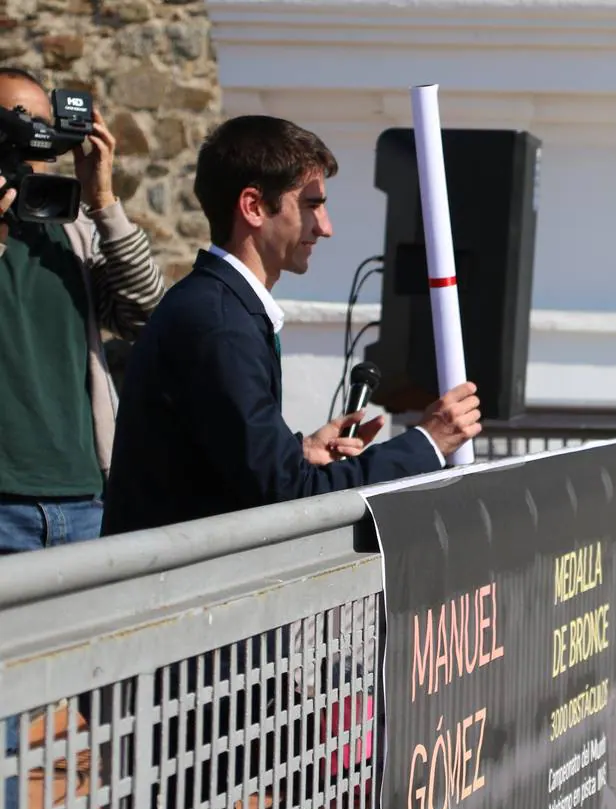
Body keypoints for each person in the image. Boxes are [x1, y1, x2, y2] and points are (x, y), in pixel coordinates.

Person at [101, 115, 482, 536]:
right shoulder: (219, 321)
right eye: (312, 205)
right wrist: (427, 443)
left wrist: (299, 451)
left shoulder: (221, 308)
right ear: (254, 207)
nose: (326, 227)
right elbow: (287, 494)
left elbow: (242, 468)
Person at [0, 66, 166, 553]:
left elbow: (145, 313)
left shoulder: (69, 230)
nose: (35, 144)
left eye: (44, 128)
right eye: (18, 125)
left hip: (81, 499)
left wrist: (102, 200)